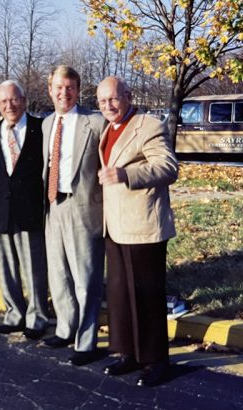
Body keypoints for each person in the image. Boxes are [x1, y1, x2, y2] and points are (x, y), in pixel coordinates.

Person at [96, 76, 178, 387]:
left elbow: (168, 167)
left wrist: (126, 174)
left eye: (113, 99)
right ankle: (127, 353)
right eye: (102, 101)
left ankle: (155, 361)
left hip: (143, 226)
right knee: (120, 296)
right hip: (115, 226)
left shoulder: (148, 125)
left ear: (128, 97)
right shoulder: (108, 129)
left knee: (146, 297)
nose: (108, 106)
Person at [41, 65, 106, 366]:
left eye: (69, 87)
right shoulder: (47, 124)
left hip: (83, 208)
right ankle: (66, 329)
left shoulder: (94, 123)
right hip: (55, 206)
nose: (63, 93)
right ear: (50, 89)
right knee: (59, 275)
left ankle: (86, 341)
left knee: (85, 279)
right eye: (58, 87)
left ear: (78, 90)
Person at [0, 80, 49, 340]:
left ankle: (37, 318)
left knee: (34, 268)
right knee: (7, 267)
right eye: (3, 102)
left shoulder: (40, 128)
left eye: (14, 100)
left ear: (24, 101)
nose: (9, 106)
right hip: (1, 208)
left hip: (30, 209)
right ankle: (14, 314)